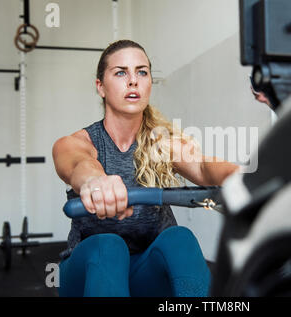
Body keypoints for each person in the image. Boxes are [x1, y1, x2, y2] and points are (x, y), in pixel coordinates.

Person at [52, 40, 239, 297]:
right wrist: (95, 181)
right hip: (86, 275)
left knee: (179, 239)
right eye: (121, 72)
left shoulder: (161, 143)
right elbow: (78, 163)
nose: (133, 81)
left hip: (145, 273)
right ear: (100, 87)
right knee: (108, 246)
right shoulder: (77, 143)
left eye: (142, 72)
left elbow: (204, 166)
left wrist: (240, 178)